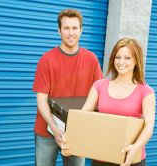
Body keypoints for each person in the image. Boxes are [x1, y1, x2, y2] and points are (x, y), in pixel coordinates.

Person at [62, 37, 156, 166]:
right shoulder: (99, 86)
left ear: (136, 61)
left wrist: (135, 147)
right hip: (102, 158)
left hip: (130, 158)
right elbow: (82, 118)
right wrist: (70, 142)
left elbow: (149, 127)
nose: (121, 62)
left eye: (127, 58)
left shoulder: (146, 91)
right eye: (118, 57)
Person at [33, 8, 103, 166]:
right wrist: (54, 128)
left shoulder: (91, 59)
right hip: (47, 131)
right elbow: (41, 100)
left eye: (74, 28)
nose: (71, 33)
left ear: (81, 30)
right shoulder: (47, 60)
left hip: (78, 132)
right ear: (59, 30)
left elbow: (99, 95)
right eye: (66, 28)